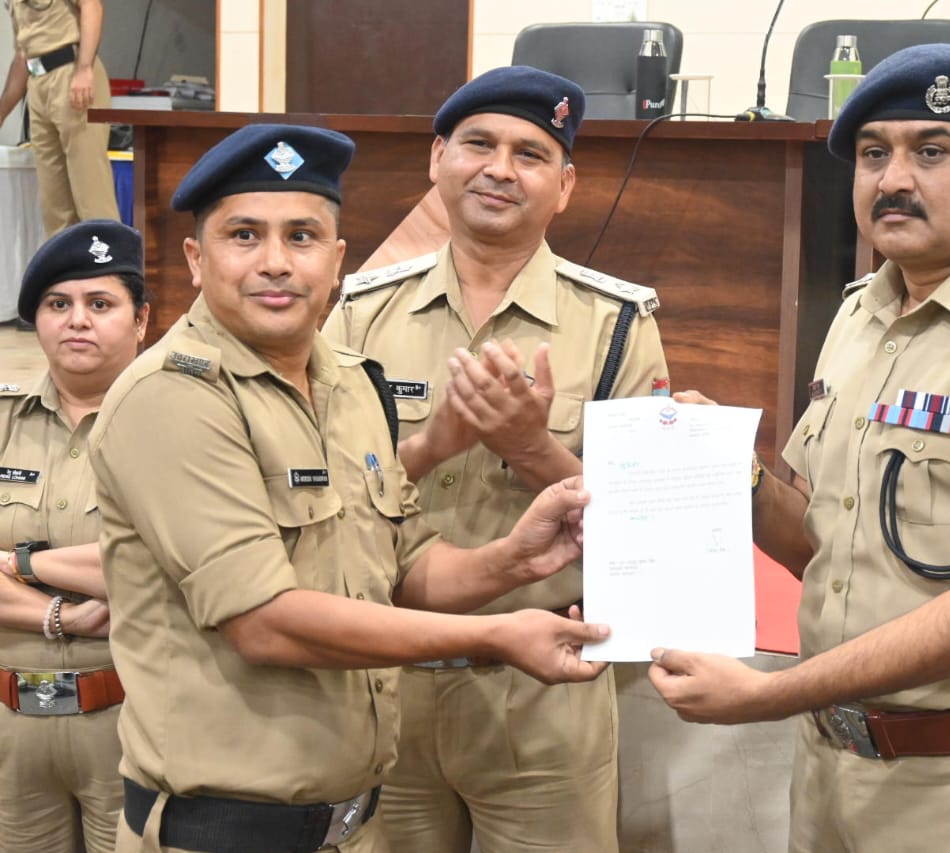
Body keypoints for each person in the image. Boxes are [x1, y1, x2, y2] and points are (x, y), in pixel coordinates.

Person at [648, 44, 950, 853]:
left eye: (932, 151)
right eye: (874, 153)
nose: (893, 179)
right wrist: (735, 475)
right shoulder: (860, 314)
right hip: (830, 765)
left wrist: (769, 693)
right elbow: (824, 545)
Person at [89, 122, 612, 853]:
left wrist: (514, 559)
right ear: (196, 260)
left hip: (352, 826)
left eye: (302, 237)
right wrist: (496, 632)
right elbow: (264, 621)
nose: (276, 263)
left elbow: (401, 566)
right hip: (223, 832)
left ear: (336, 261)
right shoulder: (173, 396)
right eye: (244, 236)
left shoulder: (352, 382)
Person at [323, 66, 668, 853]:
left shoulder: (616, 323)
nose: (500, 169)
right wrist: (429, 445)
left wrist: (532, 448)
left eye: (530, 153)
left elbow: (653, 529)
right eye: (478, 144)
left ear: (565, 185)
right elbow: (324, 499)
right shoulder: (359, 313)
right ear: (437, 159)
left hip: (544, 692)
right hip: (385, 678)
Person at [0, 218, 147, 853]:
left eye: (100, 304)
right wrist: (60, 614)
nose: (77, 320)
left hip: (134, 724)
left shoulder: (178, 424)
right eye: (58, 304)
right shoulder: (5, 418)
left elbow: (164, 569)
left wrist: (22, 564)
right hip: (12, 734)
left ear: (141, 320)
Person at [1, 0, 119, 237]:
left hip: (72, 72)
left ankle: (107, 258)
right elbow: (22, 55)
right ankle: (65, 260)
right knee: (54, 202)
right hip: (37, 82)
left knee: (91, 191)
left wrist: (84, 68)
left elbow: (92, 6)